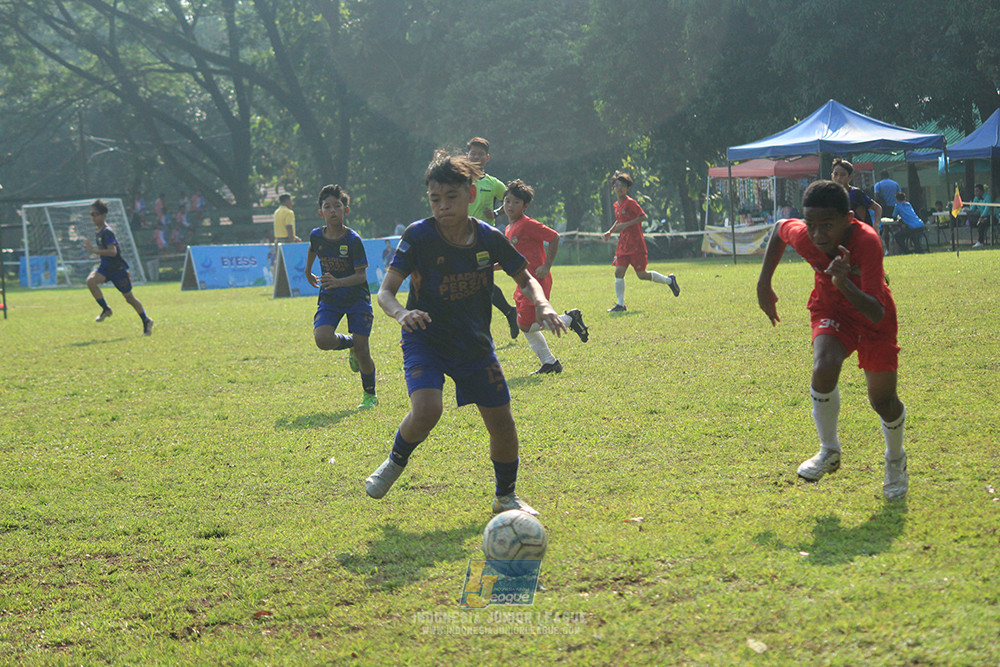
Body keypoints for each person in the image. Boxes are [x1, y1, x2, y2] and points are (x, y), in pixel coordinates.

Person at [366, 151, 567, 516]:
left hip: (474, 344)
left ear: (471, 196)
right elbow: (385, 292)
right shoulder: (418, 236)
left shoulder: (489, 237)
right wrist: (401, 312)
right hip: (424, 336)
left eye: (451, 198)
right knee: (427, 410)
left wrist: (544, 305)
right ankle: (395, 462)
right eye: (435, 199)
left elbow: (526, 278)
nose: (443, 206)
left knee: (502, 424)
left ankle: (505, 495)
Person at [756, 180, 908, 501]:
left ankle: (895, 459)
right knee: (823, 366)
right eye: (812, 225)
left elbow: (877, 312)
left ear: (849, 218)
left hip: (872, 314)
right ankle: (829, 450)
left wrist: (844, 282)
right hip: (831, 308)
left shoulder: (867, 243)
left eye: (827, 226)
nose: (818, 234)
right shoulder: (805, 234)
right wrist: (763, 284)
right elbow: (781, 227)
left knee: (882, 401)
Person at [502, 179, 589, 374]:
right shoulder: (509, 229)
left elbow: (554, 236)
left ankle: (569, 319)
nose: (510, 206)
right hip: (523, 280)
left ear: (525, 206)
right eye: (507, 201)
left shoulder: (527, 224)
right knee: (524, 323)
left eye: (516, 202)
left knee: (524, 324)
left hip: (536, 280)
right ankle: (549, 363)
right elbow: (511, 259)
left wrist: (547, 265)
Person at [305, 184, 378, 409]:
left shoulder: (353, 240)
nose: (333, 210)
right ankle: (349, 345)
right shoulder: (316, 236)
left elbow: (361, 276)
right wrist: (308, 271)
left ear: (346, 210)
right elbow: (313, 249)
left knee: (363, 351)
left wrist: (338, 281)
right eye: (327, 207)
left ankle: (370, 395)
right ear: (321, 212)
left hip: (357, 298)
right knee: (322, 339)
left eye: (337, 206)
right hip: (330, 297)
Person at [466, 137, 520, 339]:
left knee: (479, 282)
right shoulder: (460, 179)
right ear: (467, 155)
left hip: (482, 239)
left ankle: (480, 330)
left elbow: (512, 198)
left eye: (480, 154)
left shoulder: (492, 183)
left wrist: (497, 213)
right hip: (459, 237)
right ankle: (509, 311)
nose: (476, 157)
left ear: (487, 158)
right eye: (473, 153)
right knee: (476, 283)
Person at [602, 171, 679, 312]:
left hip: (635, 244)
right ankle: (620, 305)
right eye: (617, 185)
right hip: (623, 244)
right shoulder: (616, 205)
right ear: (613, 188)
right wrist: (610, 231)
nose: (619, 188)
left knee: (642, 275)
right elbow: (619, 220)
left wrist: (626, 225)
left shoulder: (631, 203)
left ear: (627, 189)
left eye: (622, 186)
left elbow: (643, 217)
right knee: (618, 272)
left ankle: (669, 280)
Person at [82, 199, 154, 336]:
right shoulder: (98, 232)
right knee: (90, 281)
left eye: (95, 214)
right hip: (105, 268)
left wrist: (94, 251)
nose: (92, 217)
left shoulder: (107, 232)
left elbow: (113, 252)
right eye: (91, 214)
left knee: (129, 298)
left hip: (117, 270)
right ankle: (106, 309)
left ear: (103, 215)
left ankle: (146, 320)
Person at [831, 158, 882, 228]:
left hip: (860, 234)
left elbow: (877, 208)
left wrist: (876, 225)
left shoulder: (855, 193)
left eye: (843, 175)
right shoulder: (830, 195)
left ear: (850, 178)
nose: (838, 178)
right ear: (832, 176)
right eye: (835, 174)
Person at [969, 184, 993, 249]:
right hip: (981, 217)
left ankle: (980, 242)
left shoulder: (988, 197)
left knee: (981, 223)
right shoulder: (976, 198)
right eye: (975, 191)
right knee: (972, 220)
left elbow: (987, 208)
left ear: (982, 191)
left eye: (977, 191)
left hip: (991, 217)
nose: (975, 193)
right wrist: (967, 210)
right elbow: (973, 208)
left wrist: (982, 217)